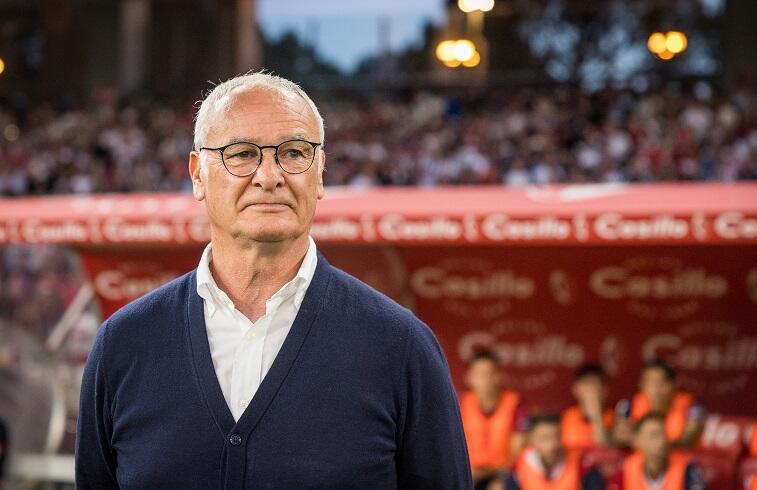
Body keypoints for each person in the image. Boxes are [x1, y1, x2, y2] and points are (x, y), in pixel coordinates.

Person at [75, 72, 472, 489]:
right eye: (242, 153)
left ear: (319, 172)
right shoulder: (123, 345)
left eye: (294, 152)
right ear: (197, 175)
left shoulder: (401, 347)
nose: (269, 176)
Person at [460, 351, 528, 490]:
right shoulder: (460, 404)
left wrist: (501, 475)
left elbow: (520, 447)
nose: (485, 379)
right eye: (479, 374)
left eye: (489, 373)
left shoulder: (514, 403)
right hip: (470, 473)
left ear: (498, 376)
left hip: (503, 474)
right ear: (469, 378)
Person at [614, 359, 705, 448]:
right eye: (650, 382)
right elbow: (620, 436)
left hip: (681, 460)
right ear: (641, 384)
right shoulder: (629, 405)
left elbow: (688, 439)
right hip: (641, 461)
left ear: (675, 384)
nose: (655, 389)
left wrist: (652, 445)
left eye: (661, 382)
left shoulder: (693, 407)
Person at [505, 412, 605, 490]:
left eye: (557, 437)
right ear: (532, 440)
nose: (552, 444)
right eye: (544, 438)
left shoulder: (582, 465)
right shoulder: (519, 466)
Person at [621, 412, 706, 490]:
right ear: (637, 440)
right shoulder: (626, 469)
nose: (661, 441)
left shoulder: (689, 469)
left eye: (664, 434)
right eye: (654, 435)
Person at [561, 363, 614, 450]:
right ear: (575, 389)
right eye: (586, 384)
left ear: (605, 390)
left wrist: (596, 417)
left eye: (594, 384)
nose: (590, 389)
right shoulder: (566, 417)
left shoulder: (614, 418)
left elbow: (605, 450)